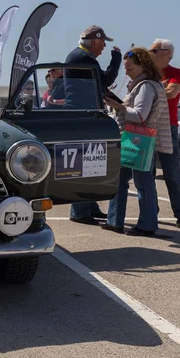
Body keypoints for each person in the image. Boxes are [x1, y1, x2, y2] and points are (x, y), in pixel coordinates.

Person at [102, 48, 172, 236]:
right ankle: (114, 220)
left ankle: (146, 225)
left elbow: (140, 115)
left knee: (142, 183)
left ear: (143, 66)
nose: (126, 72)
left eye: (130, 69)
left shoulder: (146, 87)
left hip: (138, 139)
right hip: (135, 138)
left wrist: (118, 106)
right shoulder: (145, 85)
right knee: (122, 180)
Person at [65, 25, 122, 224]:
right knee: (84, 166)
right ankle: (81, 211)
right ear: (95, 42)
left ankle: (88, 206)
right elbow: (105, 80)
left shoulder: (80, 57)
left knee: (89, 165)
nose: (105, 46)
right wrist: (117, 60)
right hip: (83, 117)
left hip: (83, 115)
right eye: (103, 42)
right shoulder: (84, 59)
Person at [149, 38, 180, 229]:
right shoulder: (147, 74)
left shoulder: (177, 73)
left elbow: (172, 93)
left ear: (167, 53)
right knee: (145, 173)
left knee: (172, 172)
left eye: (155, 50)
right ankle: (150, 211)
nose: (151, 53)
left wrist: (149, 91)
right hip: (147, 127)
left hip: (168, 127)